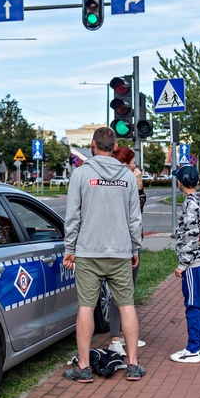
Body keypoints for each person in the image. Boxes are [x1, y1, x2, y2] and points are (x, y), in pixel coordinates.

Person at [62, 127, 144, 382]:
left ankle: (84, 367)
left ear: (92, 145)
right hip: (120, 252)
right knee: (126, 305)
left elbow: (73, 216)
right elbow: (135, 218)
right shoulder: (127, 176)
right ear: (114, 145)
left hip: (88, 253)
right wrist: (135, 247)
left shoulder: (81, 174)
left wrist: (69, 249)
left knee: (86, 306)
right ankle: (132, 364)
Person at [170, 165, 200, 364]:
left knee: (193, 305)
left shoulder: (189, 204)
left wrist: (182, 264)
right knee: (199, 305)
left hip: (193, 263)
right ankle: (197, 346)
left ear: (180, 182)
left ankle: (194, 349)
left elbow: (192, 235)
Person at [108, 146, 147, 356]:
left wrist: (139, 186)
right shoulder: (125, 182)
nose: (136, 166)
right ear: (125, 164)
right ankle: (117, 337)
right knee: (123, 293)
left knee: (122, 293)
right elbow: (135, 216)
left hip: (120, 243)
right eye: (133, 162)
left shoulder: (126, 181)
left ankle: (120, 336)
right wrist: (134, 247)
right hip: (125, 245)